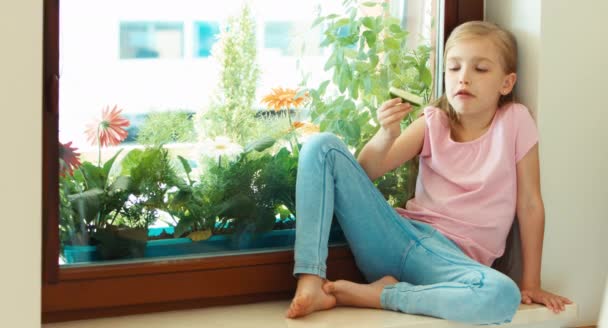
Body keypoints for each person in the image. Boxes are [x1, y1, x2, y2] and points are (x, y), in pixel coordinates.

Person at [285, 21, 572, 324]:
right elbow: (366, 171)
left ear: (506, 83)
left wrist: (531, 283)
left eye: (481, 69)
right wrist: (386, 133)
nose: (464, 78)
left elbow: (529, 204)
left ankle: (383, 295)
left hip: (451, 266)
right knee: (322, 146)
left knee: (502, 294)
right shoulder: (433, 122)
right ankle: (310, 280)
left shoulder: (515, 121)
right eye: (454, 68)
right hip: (397, 238)